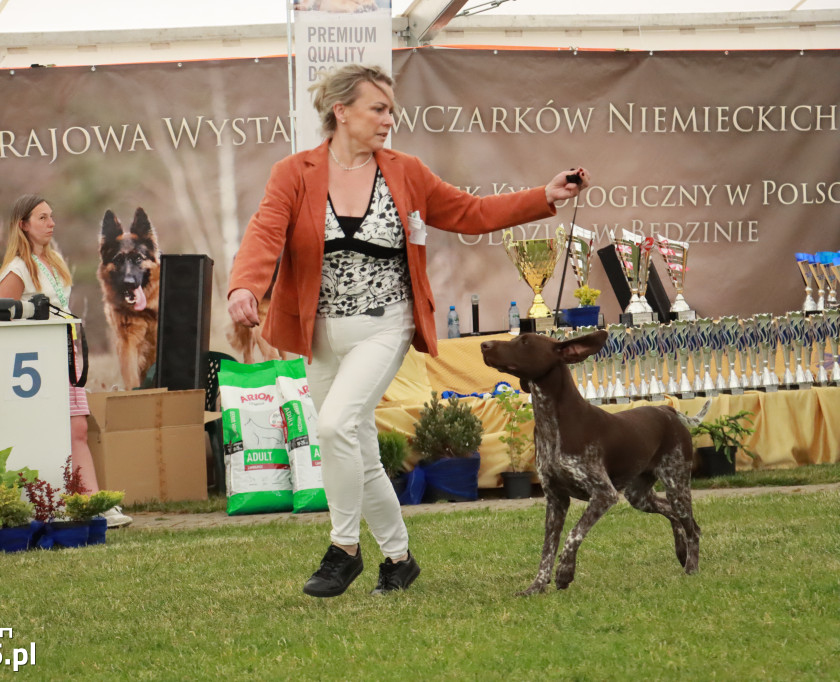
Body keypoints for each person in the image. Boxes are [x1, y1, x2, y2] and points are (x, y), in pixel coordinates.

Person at [227, 65, 590, 598]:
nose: (388, 119)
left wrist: (545, 196)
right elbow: (265, 232)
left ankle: (343, 548)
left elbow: (470, 212)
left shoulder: (406, 171)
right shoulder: (294, 172)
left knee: (332, 429)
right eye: (378, 108)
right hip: (321, 334)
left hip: (385, 324)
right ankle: (398, 560)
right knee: (357, 450)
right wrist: (243, 286)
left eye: (391, 109)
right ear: (341, 111)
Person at [0, 194, 132, 528]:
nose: (51, 223)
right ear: (23, 225)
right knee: (54, 431)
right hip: (35, 365)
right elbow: (1, 316)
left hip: (65, 353)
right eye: (42, 218)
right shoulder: (16, 269)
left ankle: (93, 503)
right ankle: (57, 504)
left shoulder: (55, 260)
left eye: (51, 216)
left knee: (78, 428)